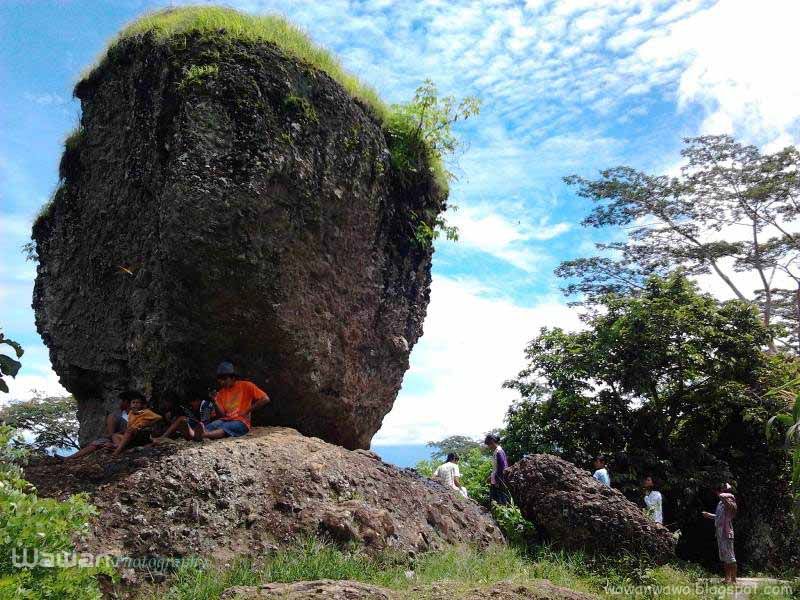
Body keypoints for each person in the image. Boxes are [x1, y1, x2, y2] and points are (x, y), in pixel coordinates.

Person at [194, 361, 270, 440]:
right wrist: (215, 401)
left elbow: (265, 399)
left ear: (233, 378)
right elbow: (222, 415)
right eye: (219, 379)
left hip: (241, 421)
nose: (221, 382)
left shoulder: (246, 385)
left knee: (226, 427)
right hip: (226, 419)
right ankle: (192, 434)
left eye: (224, 379)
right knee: (211, 426)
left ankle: (202, 435)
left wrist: (247, 410)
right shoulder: (220, 392)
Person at [66, 391, 132, 460]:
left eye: (120, 401)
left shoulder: (133, 413)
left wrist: (115, 434)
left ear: (126, 402)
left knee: (112, 416)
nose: (119, 403)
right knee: (95, 444)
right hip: (116, 437)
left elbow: (131, 429)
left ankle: (113, 441)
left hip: (123, 437)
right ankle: (68, 458)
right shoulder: (121, 413)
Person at [702, 482, 738, 584]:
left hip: (727, 532)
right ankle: (727, 579)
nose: (720, 492)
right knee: (724, 557)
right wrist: (708, 515)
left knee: (731, 557)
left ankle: (734, 580)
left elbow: (722, 496)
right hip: (720, 532)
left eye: (724, 490)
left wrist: (726, 491)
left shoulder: (731, 503)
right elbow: (718, 517)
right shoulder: (720, 503)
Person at [152, 389, 217, 443]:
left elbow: (205, 422)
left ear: (197, 400)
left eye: (192, 404)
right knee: (180, 422)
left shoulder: (206, 405)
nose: (192, 407)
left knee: (181, 419)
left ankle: (163, 437)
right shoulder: (194, 407)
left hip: (206, 428)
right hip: (197, 427)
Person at [484, 434, 510, 505]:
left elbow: (503, 468)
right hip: (496, 480)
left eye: (488, 445)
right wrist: (491, 477)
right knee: (495, 501)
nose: (489, 447)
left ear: (492, 442)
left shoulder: (499, 452)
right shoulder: (496, 452)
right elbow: (496, 468)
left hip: (499, 481)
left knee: (499, 501)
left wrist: (498, 481)